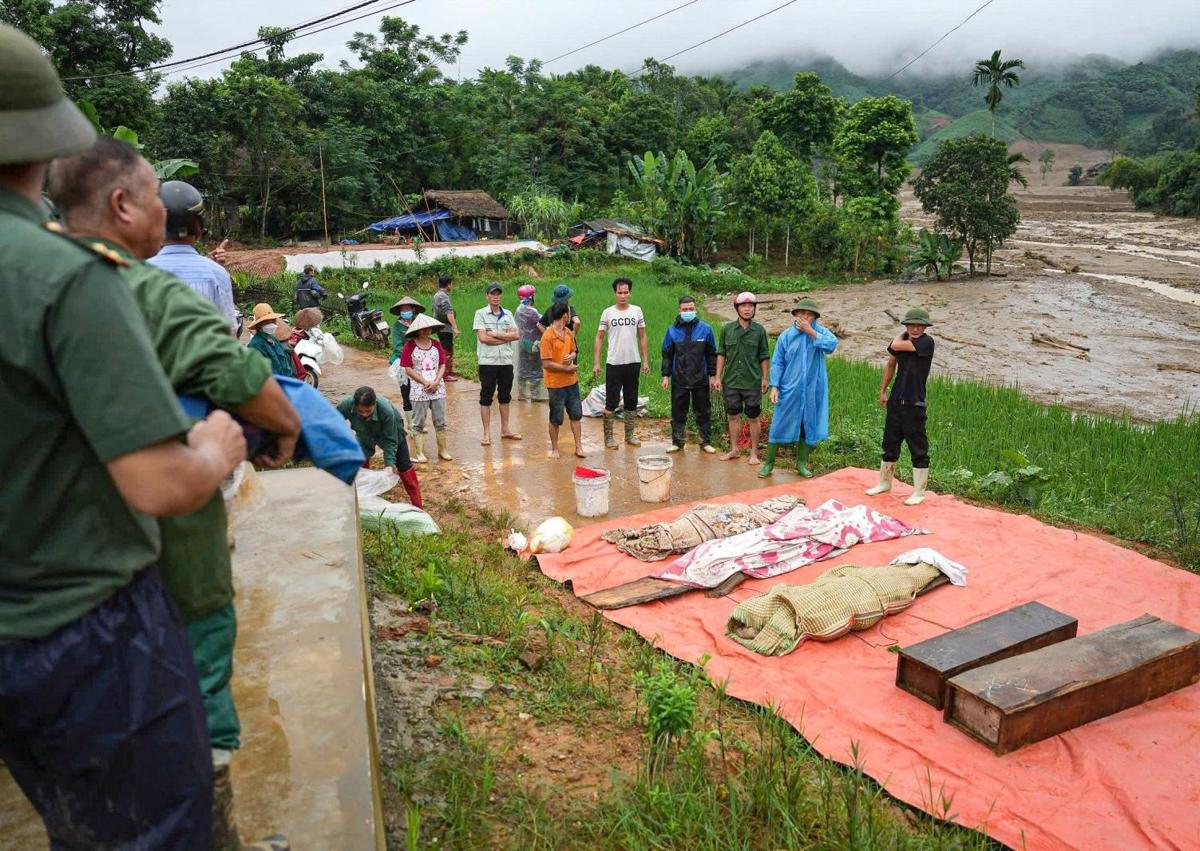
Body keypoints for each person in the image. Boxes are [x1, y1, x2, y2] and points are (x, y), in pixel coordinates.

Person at [0, 24, 247, 849]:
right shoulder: (64, 275)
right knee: (152, 827)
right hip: (85, 626)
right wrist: (215, 445)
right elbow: (157, 482)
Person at [47, 135, 301, 851]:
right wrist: (281, 430)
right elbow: (234, 366)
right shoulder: (142, 286)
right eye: (151, 189)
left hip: (56, 569)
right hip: (165, 510)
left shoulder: (33, 278)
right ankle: (212, 831)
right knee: (198, 673)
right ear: (124, 206)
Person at [758, 298, 838, 479]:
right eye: (801, 313)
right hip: (789, 388)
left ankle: (801, 463)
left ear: (815, 317)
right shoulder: (786, 336)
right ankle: (769, 464)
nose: (805, 317)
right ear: (795, 315)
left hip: (812, 389)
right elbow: (778, 362)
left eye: (809, 314)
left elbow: (832, 345)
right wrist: (775, 386)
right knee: (779, 423)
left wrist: (811, 333)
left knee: (806, 424)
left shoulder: (820, 332)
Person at [147, 180, 238, 335]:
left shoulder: (140, 273)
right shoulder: (216, 274)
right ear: (199, 230)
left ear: (157, 227)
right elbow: (229, 332)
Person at [866, 308, 936, 505]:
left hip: (914, 402)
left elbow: (896, 344)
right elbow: (891, 364)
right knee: (890, 442)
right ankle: (884, 482)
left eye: (919, 325)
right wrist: (883, 390)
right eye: (910, 325)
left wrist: (901, 332)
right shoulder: (902, 343)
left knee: (918, 446)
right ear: (906, 326)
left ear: (925, 327)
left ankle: (919, 492)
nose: (914, 328)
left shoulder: (926, 342)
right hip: (896, 400)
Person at [336, 387, 422, 507]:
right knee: (358, 464)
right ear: (354, 405)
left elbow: (390, 440)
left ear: (374, 404)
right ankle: (361, 501)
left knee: (404, 466)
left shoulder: (386, 410)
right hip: (364, 434)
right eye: (360, 411)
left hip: (392, 433)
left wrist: (389, 465)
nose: (364, 414)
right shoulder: (346, 404)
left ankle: (418, 506)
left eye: (368, 411)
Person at [714, 291, 770, 465]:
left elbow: (764, 356)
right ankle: (734, 449)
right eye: (743, 306)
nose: (747, 309)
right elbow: (721, 354)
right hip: (731, 380)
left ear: (754, 309)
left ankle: (754, 453)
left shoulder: (759, 331)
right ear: (737, 309)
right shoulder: (727, 329)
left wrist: (765, 378)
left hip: (752, 381)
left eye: (750, 306)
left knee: (753, 417)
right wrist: (717, 377)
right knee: (733, 416)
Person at [593, 277, 649, 449]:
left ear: (630, 293)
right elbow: (599, 337)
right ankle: (608, 438)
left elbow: (642, 335)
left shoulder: (637, 311)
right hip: (614, 363)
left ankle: (629, 436)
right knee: (611, 401)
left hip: (633, 362)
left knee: (631, 400)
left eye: (626, 292)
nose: (623, 296)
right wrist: (596, 362)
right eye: (620, 292)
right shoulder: (608, 313)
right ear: (615, 293)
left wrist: (645, 359)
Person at [661, 294, 718, 454]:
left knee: (703, 411)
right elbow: (667, 354)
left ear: (695, 309)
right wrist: (665, 376)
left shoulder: (705, 329)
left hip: (700, 378)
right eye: (685, 309)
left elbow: (711, 354)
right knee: (678, 411)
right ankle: (677, 442)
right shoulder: (672, 331)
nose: (688, 312)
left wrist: (713, 376)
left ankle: (705, 442)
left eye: (691, 309)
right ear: (679, 311)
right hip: (679, 378)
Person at [473, 282, 522, 445]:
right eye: (492, 294)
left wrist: (495, 334)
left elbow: (516, 335)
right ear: (487, 296)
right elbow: (483, 338)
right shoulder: (480, 314)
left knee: (505, 396)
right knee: (486, 397)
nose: (495, 297)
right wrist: (504, 337)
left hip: (506, 361)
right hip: (488, 361)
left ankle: (505, 429)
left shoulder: (508, 314)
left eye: (498, 294)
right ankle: (486, 433)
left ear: (501, 296)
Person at [401, 313, 452, 464]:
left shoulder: (436, 344)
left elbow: (442, 364)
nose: (426, 331)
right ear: (417, 330)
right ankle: (419, 453)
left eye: (428, 329)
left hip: (438, 388)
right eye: (423, 329)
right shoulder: (410, 345)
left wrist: (436, 381)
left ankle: (443, 450)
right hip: (419, 388)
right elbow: (407, 368)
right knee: (418, 422)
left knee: (440, 420)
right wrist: (424, 382)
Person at [540, 301, 586, 459]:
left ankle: (579, 447)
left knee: (576, 415)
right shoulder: (547, 337)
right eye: (569, 314)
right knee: (556, 418)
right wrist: (566, 368)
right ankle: (554, 448)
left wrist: (571, 357)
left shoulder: (568, 332)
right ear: (565, 316)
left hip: (572, 382)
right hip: (555, 385)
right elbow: (546, 363)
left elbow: (574, 351)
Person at [388, 295, 424, 431]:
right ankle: (411, 423)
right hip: (403, 362)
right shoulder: (397, 327)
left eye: (408, 308)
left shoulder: (418, 323)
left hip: (419, 361)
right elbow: (398, 347)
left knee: (419, 392)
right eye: (403, 309)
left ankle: (418, 421)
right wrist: (412, 354)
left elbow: (425, 338)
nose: (406, 311)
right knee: (406, 392)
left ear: (413, 309)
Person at [515, 283, 547, 401]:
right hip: (533, 344)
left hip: (523, 343)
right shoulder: (531, 311)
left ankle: (522, 393)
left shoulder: (519, 310)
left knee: (523, 368)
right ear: (530, 297)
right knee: (536, 369)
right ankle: (535, 395)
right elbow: (542, 322)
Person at [246, 303, 297, 378]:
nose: (271, 323)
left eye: (272, 320)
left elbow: (286, 366)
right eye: (267, 321)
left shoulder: (274, 340)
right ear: (259, 324)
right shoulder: (255, 344)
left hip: (286, 383)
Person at [432, 274, 461, 381]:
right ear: (448, 284)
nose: (452, 285)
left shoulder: (437, 295)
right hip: (445, 328)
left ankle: (446, 371)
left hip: (440, 327)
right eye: (451, 283)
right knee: (447, 350)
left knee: (445, 349)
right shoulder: (443, 296)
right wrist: (455, 327)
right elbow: (449, 312)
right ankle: (445, 374)